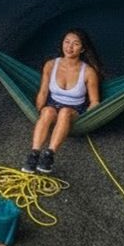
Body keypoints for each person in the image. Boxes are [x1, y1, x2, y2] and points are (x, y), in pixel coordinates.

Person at [24, 29, 103, 173]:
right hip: (53, 105)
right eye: (66, 42)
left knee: (65, 112)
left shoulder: (88, 72)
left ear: (82, 49)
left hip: (75, 109)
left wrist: (90, 119)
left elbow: (94, 101)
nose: (69, 47)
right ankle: (34, 154)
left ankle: (49, 155)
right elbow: (43, 92)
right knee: (47, 111)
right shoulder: (50, 65)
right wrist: (38, 111)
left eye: (75, 44)